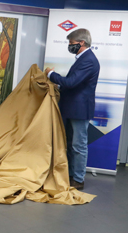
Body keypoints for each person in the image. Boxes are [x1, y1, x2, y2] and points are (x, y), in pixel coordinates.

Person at [45, 28, 100, 190]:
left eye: (71, 43)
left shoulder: (89, 60)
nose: (70, 46)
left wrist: (51, 75)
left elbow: (70, 82)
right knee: (70, 143)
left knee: (78, 145)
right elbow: (73, 83)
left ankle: (78, 179)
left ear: (81, 42)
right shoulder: (82, 58)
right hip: (72, 108)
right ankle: (69, 174)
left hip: (80, 110)